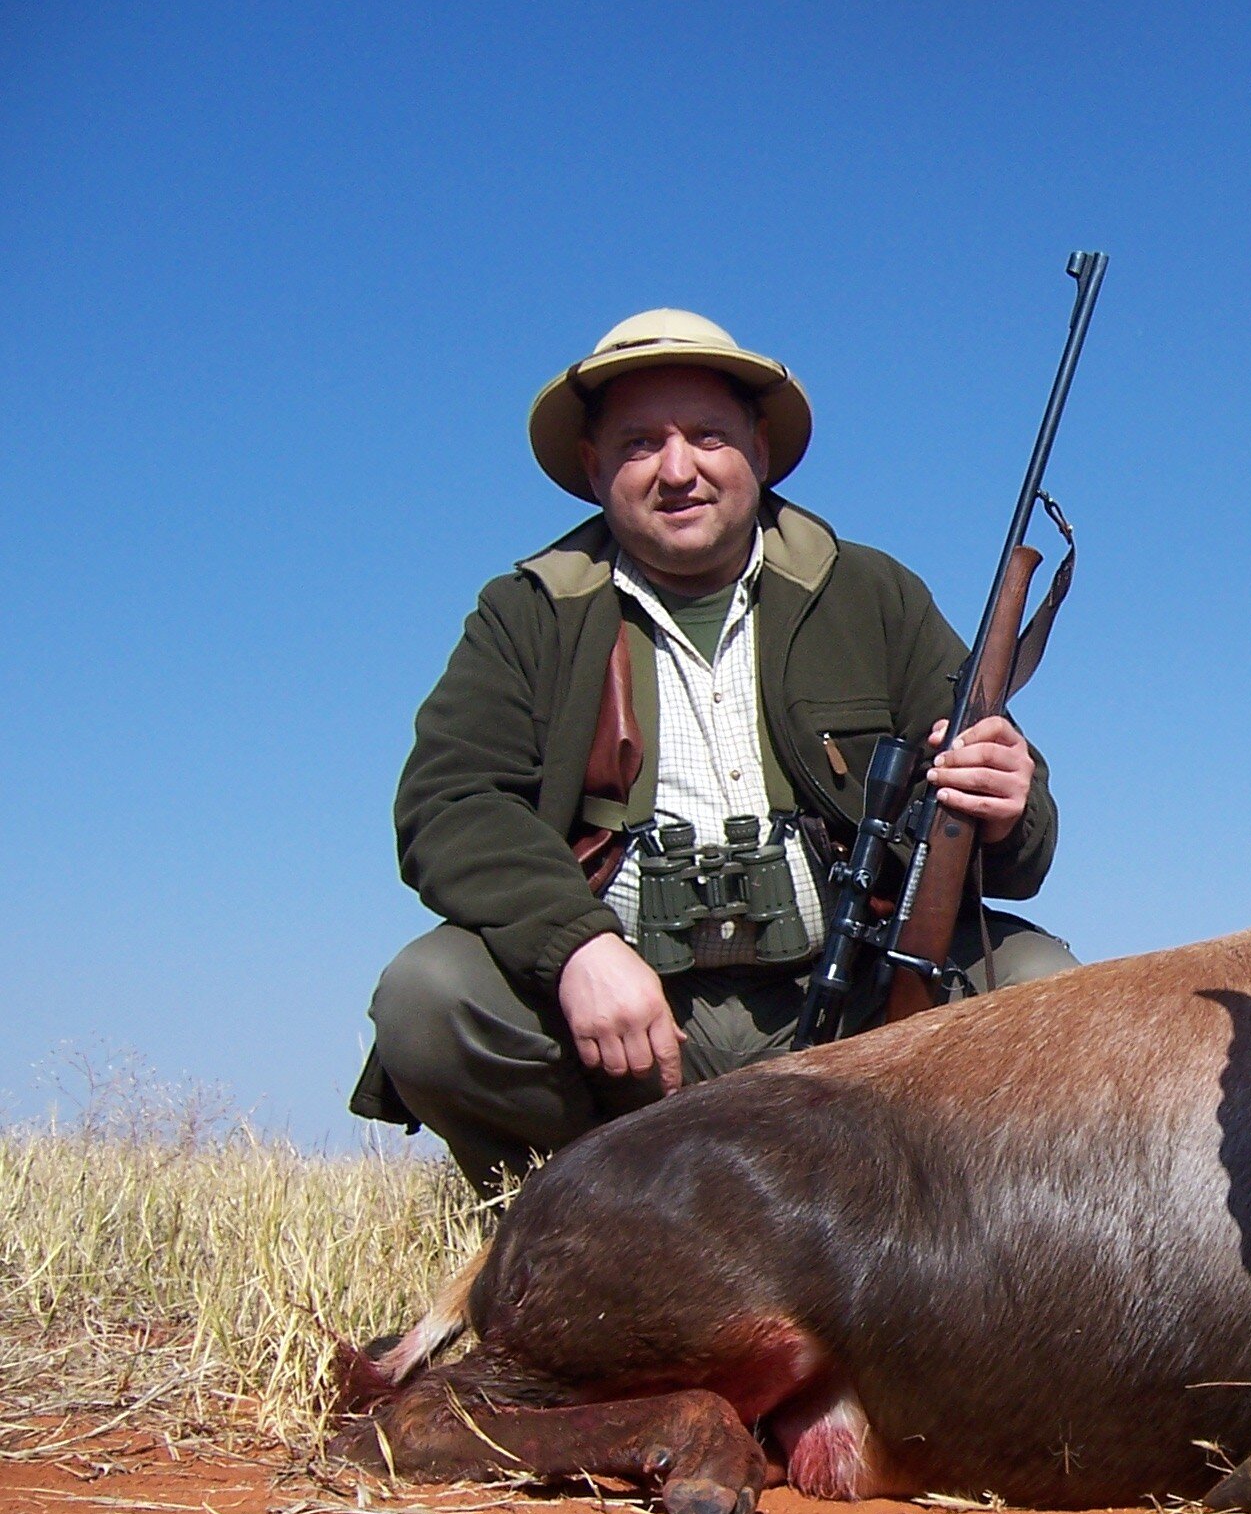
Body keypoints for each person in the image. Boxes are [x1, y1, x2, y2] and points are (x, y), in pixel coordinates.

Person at [350, 310, 1076, 1191]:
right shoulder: (526, 612)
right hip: (626, 1034)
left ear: (759, 452)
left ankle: (944, 1230)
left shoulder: (873, 591)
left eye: (706, 436)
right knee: (430, 998)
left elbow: (1020, 842)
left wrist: (1008, 798)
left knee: (1043, 986)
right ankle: (568, 1219)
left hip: (853, 1013)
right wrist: (575, 947)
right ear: (592, 468)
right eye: (639, 443)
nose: (678, 469)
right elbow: (449, 804)